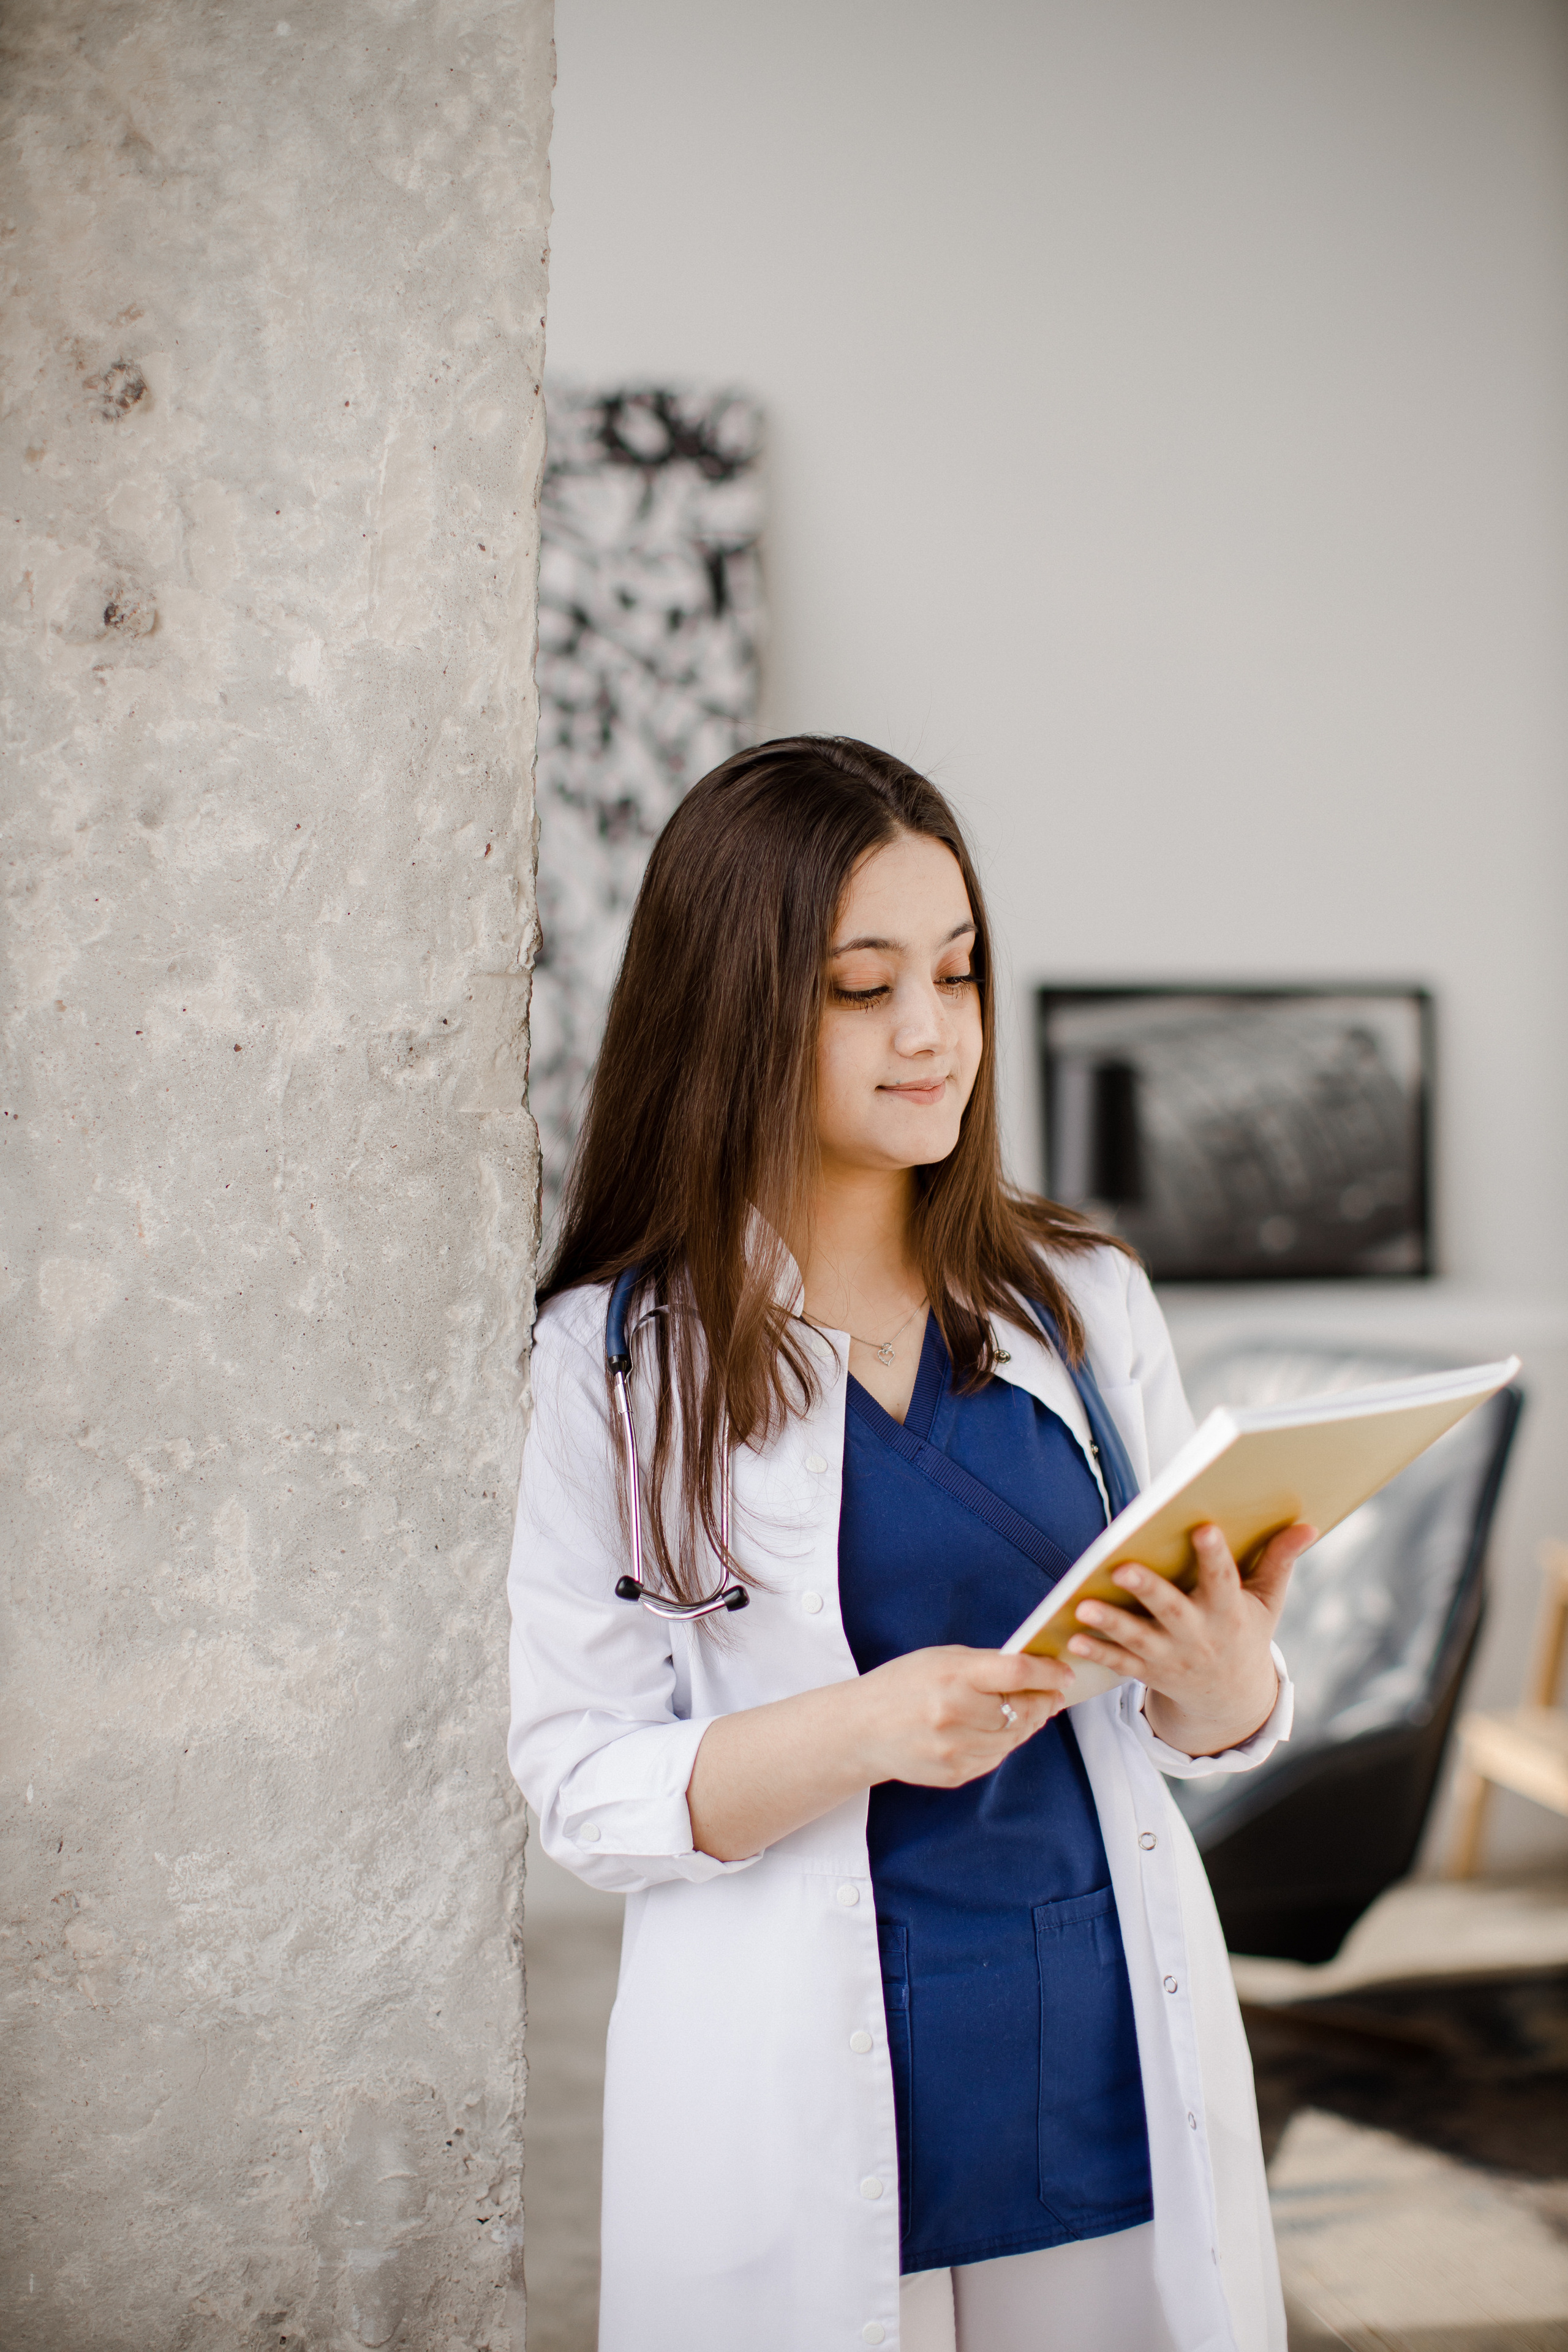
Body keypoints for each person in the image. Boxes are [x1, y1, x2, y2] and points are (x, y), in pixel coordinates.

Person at [508, 737, 1312, 2352]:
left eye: (958, 971)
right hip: (797, 2074)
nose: (935, 1032)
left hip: (1093, 2050)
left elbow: (1199, 1728)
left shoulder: (1085, 1304)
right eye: (861, 989)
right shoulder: (612, 1362)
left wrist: (1229, 1691)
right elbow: (577, 1780)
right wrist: (859, 1731)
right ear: (737, 1011)